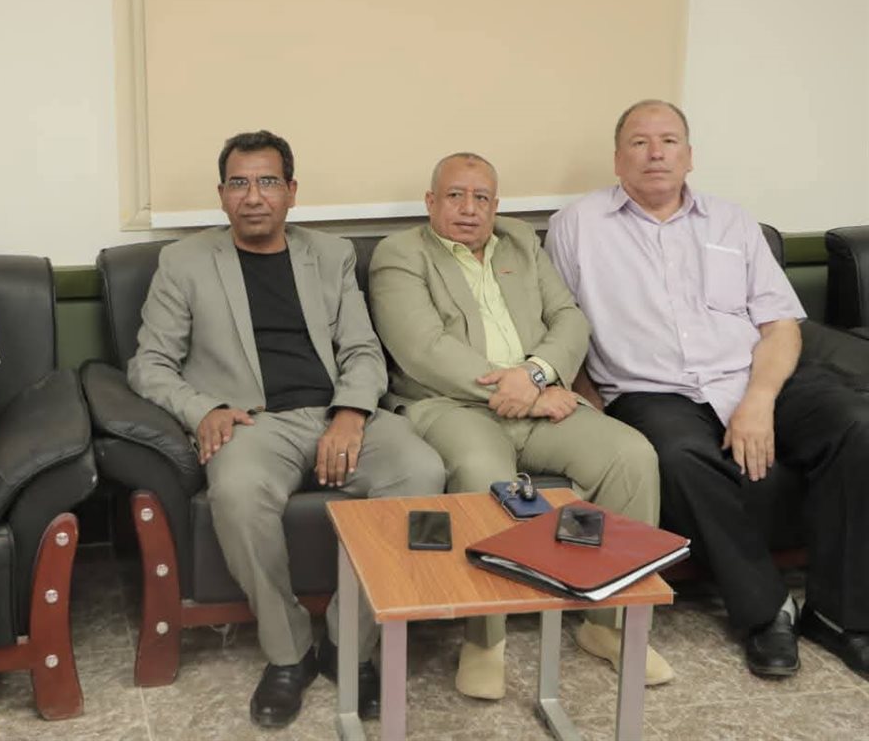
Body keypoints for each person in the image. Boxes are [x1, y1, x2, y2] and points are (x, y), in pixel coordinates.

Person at [127, 130, 446, 728]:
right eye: (239, 183)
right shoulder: (184, 262)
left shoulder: (330, 255)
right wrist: (204, 410)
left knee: (422, 472)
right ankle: (288, 650)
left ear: (292, 192)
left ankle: (350, 643)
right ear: (222, 194)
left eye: (268, 182)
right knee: (237, 493)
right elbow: (150, 365)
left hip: (336, 412)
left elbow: (362, 350)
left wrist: (350, 413)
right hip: (252, 423)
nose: (254, 197)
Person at [546, 99, 869, 680]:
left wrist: (759, 400)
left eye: (668, 141)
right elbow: (560, 324)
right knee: (678, 456)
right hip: (650, 389)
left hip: (750, 374)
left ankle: (839, 615)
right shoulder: (577, 225)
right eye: (639, 142)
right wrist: (590, 406)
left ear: (689, 155)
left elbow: (779, 325)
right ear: (617, 159)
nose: (655, 153)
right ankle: (766, 610)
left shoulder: (732, 222)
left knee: (856, 423)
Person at [368, 152, 670, 700]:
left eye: (481, 197)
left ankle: (609, 625)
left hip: (541, 395)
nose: (469, 208)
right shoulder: (399, 254)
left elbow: (569, 318)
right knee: (482, 472)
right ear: (431, 202)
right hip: (450, 405)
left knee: (631, 456)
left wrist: (534, 376)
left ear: (496, 205)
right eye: (455, 195)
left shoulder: (521, 242)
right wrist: (524, 394)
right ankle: (485, 641)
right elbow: (423, 350)